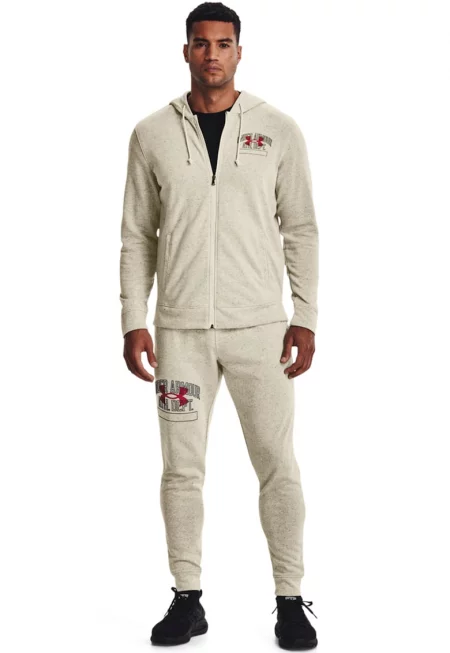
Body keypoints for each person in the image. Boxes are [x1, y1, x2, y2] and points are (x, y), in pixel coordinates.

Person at [119, 2, 319, 649]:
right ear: (186, 51)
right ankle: (187, 598)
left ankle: (289, 599)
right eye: (201, 43)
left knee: (277, 465)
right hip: (178, 332)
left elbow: (301, 228)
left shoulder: (277, 130)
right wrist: (133, 318)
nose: (212, 54)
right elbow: (136, 235)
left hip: (261, 329)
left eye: (223, 43)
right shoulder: (151, 133)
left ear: (239, 51)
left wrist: (305, 316)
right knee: (181, 470)